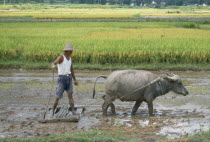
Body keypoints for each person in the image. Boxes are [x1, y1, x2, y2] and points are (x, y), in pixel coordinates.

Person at [51, 43, 78, 116]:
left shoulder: (70, 59)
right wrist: (53, 65)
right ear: (67, 51)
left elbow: (71, 69)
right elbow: (54, 62)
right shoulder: (61, 57)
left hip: (69, 78)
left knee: (70, 95)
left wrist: (74, 79)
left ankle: (73, 110)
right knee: (58, 96)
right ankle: (52, 111)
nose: (72, 52)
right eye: (70, 51)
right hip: (62, 79)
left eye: (72, 51)